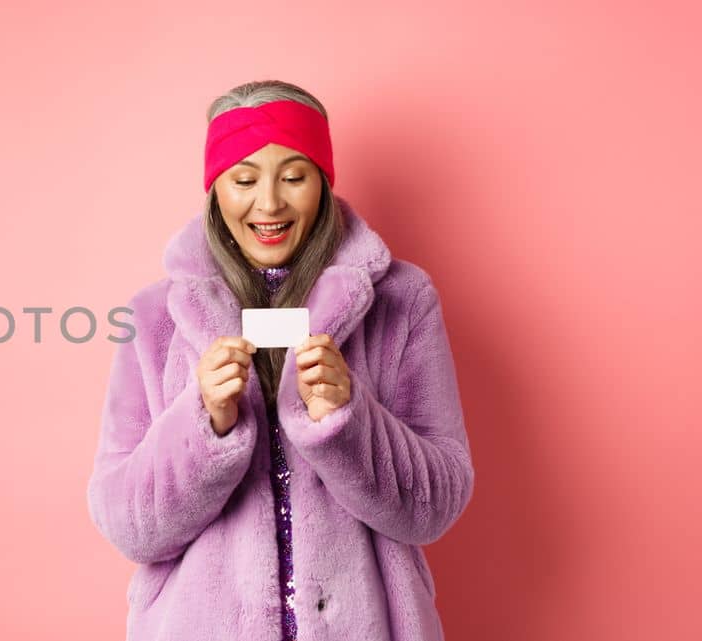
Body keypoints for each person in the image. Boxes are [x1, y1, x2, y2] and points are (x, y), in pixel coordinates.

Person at [85, 80, 475, 640]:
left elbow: (435, 506)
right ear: (216, 188)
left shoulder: (401, 301)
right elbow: (128, 525)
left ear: (322, 180)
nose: (269, 203)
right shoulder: (155, 318)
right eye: (244, 180)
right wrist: (204, 424)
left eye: (294, 176)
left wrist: (347, 419)